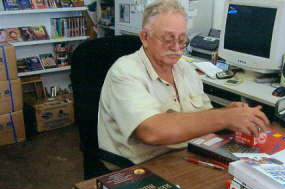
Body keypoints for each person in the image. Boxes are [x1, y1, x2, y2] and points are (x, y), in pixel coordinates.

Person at [98, 0, 269, 167]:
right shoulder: (124, 71)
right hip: (141, 168)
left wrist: (228, 112)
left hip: (185, 157)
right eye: (168, 39)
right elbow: (150, 131)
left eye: (181, 40)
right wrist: (223, 117)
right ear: (145, 37)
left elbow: (202, 116)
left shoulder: (185, 68)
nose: (176, 47)